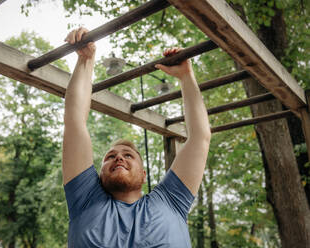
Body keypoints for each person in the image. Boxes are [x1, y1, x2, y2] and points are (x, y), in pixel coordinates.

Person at [62, 27, 211, 248]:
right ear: (99, 176)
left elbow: (200, 137)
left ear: (143, 175)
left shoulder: (171, 200)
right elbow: (74, 121)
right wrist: (86, 60)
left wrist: (187, 76)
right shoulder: (85, 199)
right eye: (110, 157)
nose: (118, 158)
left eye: (128, 155)